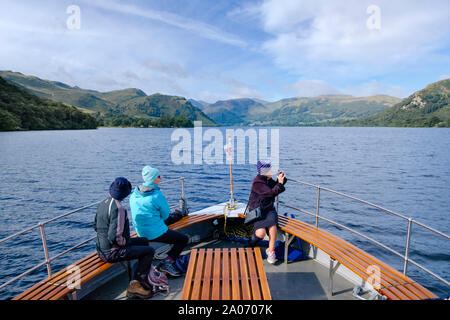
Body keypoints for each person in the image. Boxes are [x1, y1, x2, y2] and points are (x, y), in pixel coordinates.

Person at [94, 177, 167, 299]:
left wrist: (126, 241)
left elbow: (96, 225)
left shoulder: (103, 203)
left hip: (101, 249)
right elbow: (114, 237)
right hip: (111, 252)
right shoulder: (119, 209)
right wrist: (124, 242)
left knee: (143, 241)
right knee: (149, 251)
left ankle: (139, 275)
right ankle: (137, 284)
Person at [130, 165, 189, 277]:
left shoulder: (134, 194)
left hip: (141, 231)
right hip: (155, 233)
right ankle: (166, 264)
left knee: (167, 221)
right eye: (159, 176)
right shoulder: (157, 195)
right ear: (153, 179)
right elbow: (166, 215)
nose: (161, 178)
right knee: (183, 239)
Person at [246, 161, 287, 264]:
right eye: (269, 170)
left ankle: (271, 251)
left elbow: (274, 186)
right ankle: (251, 243)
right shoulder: (258, 182)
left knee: (272, 227)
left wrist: (280, 179)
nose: (272, 171)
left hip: (268, 210)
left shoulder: (267, 179)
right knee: (261, 233)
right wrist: (280, 183)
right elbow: (271, 193)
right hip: (258, 211)